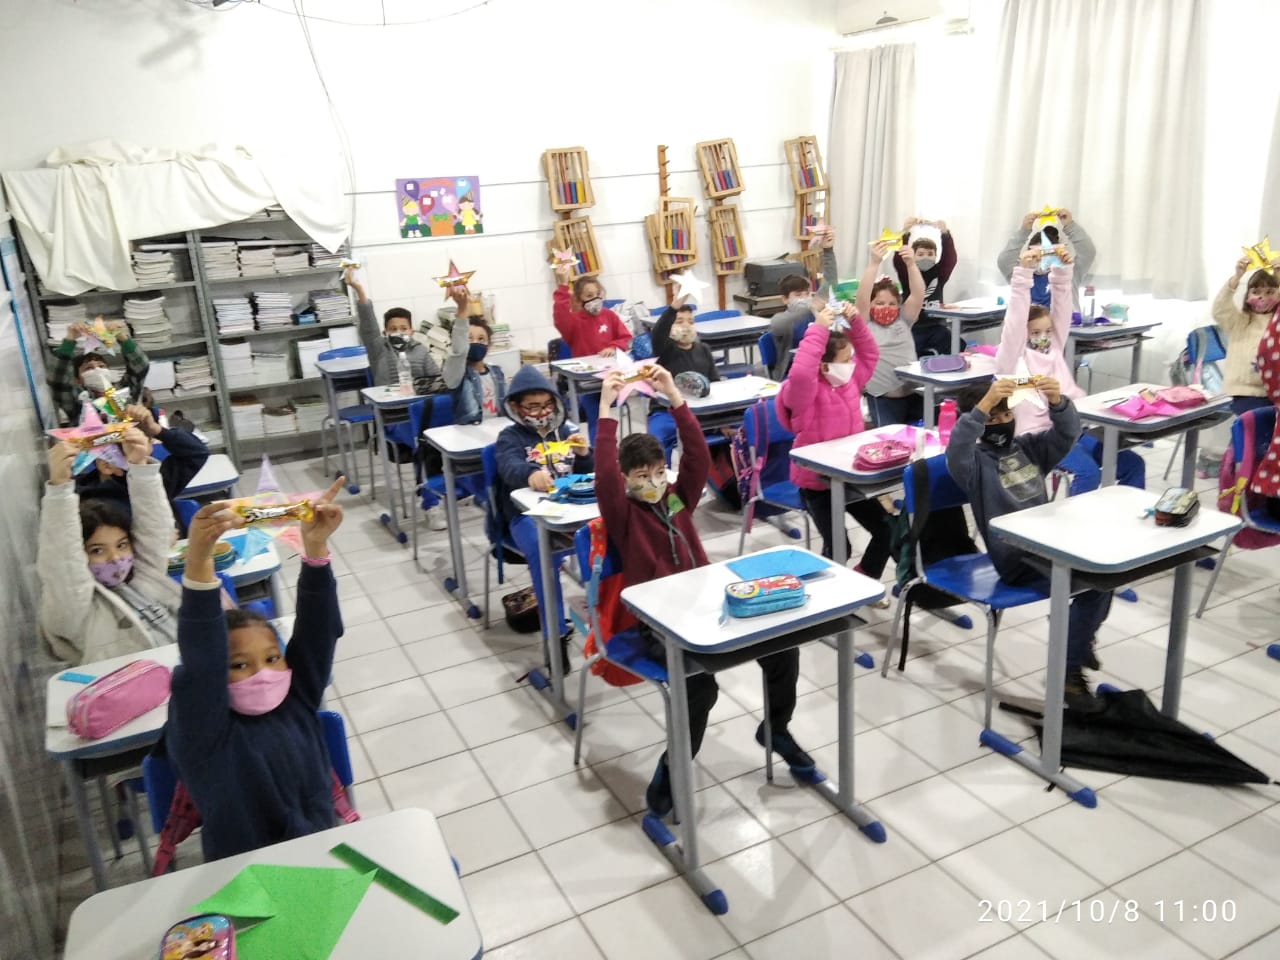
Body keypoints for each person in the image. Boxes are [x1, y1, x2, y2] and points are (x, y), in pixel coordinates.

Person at [595, 365, 816, 816]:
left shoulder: (677, 499)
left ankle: (776, 729)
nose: (653, 482)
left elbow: (696, 454)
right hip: (657, 620)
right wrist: (605, 409)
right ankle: (672, 770)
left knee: (782, 647)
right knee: (700, 690)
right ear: (626, 479)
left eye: (659, 471)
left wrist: (674, 396)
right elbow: (603, 475)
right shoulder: (624, 515)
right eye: (641, 475)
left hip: (707, 601)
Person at [166, 478, 346, 862]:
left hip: (323, 855)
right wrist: (199, 561)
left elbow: (319, 632)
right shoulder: (205, 732)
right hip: (245, 872)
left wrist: (316, 550)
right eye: (239, 665)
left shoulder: (297, 700)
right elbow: (202, 659)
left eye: (272, 658)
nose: (262, 673)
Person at [946, 378, 1112, 699]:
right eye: (991, 419)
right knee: (1095, 584)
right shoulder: (974, 465)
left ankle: (1077, 638)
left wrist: (1057, 402)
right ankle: (1068, 670)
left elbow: (1067, 433)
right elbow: (958, 445)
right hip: (1016, 559)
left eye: (1006, 415)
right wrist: (983, 406)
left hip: (1048, 545)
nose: (1001, 423)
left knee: (1106, 573)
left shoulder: (1028, 449)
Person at [994, 247, 1145, 493]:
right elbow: (1014, 321)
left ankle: (1125, 513)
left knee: (1133, 464)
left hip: (1073, 429)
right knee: (1088, 473)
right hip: (1036, 438)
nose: (1043, 337)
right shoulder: (1012, 359)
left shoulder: (1053, 348)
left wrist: (1063, 271)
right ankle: (1074, 519)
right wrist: (1023, 273)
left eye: (1047, 331)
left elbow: (1062, 310)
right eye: (1035, 332)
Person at [778, 300, 893, 607]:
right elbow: (800, 373)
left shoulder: (850, 380)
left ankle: (863, 582)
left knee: (887, 529)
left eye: (851, 358)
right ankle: (822, 601)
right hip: (817, 484)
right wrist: (819, 329)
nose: (851, 364)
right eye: (844, 359)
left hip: (850, 476)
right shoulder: (805, 391)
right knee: (839, 546)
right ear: (823, 364)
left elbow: (871, 353)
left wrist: (856, 322)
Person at [38, 427, 180, 665]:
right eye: (97, 550)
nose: (115, 558)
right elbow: (64, 562)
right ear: (80, 555)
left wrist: (140, 466)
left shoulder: (142, 576)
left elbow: (155, 529)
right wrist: (60, 490)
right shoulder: (75, 608)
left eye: (122, 545)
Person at [494, 366, 593, 662]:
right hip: (527, 516)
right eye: (533, 406)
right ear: (516, 407)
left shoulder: (567, 431)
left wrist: (585, 455)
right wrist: (530, 474)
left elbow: (589, 474)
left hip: (571, 509)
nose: (542, 412)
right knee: (542, 551)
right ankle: (555, 633)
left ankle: (608, 614)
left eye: (547, 404)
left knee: (610, 535)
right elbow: (509, 467)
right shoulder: (510, 437)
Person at [75, 404, 209, 530]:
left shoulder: (157, 480)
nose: (145, 463)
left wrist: (157, 430)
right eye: (136, 456)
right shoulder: (85, 506)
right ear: (107, 466)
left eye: (148, 452)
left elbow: (197, 453)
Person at [856, 239, 925, 426]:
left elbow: (918, 294)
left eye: (892, 303)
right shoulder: (864, 324)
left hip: (914, 394)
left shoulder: (903, 319)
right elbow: (862, 297)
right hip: (883, 398)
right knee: (888, 437)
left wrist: (911, 264)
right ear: (871, 304)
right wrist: (874, 263)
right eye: (879, 303)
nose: (886, 307)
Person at [647, 294, 721, 463]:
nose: (686, 325)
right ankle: (662, 474)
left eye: (691, 322)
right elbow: (658, 332)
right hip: (666, 411)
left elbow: (715, 383)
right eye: (679, 322)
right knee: (656, 442)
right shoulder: (665, 349)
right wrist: (674, 307)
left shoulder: (703, 349)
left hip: (700, 412)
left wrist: (723, 421)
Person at [49, 319, 151, 426]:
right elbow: (58, 379)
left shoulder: (124, 390)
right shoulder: (77, 399)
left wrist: (121, 336)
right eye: (89, 368)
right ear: (78, 379)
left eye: (102, 366)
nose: (97, 370)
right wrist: (69, 340)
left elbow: (141, 366)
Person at [767, 234, 839, 380]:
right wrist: (810, 306)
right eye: (798, 295)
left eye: (807, 294)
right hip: (792, 374)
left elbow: (831, 282)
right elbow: (778, 324)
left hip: (819, 368)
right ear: (785, 299)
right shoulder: (781, 319)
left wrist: (828, 250)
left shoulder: (814, 310)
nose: (804, 298)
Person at [1212, 253, 1278, 415]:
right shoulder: (1239, 320)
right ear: (1247, 295)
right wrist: (1237, 277)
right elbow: (1220, 309)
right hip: (1244, 393)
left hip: (1274, 392)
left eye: (1270, 292)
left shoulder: (1277, 321)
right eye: (1256, 291)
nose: (1262, 297)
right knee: (1254, 425)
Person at [995, 208, 1096, 313]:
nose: (1040, 258)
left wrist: (1070, 225)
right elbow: (1004, 261)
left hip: (1065, 322)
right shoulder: (1020, 275)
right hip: (1027, 323)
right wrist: (1024, 231)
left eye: (1047, 253)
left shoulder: (1068, 273)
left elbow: (1088, 252)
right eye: (1035, 253)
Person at [552, 264, 632, 358]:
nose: (595, 298)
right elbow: (561, 315)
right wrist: (563, 285)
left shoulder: (609, 315)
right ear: (579, 299)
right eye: (589, 296)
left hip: (610, 363)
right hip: (586, 365)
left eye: (598, 294)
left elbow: (626, 338)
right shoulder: (574, 321)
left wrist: (613, 347)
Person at [893, 217, 957, 308]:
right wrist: (905, 233)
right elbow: (899, 258)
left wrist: (945, 234)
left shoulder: (939, 273)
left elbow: (949, 258)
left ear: (936, 256)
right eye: (920, 254)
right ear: (913, 256)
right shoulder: (908, 272)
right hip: (911, 317)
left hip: (935, 316)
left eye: (930, 254)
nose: (925, 257)